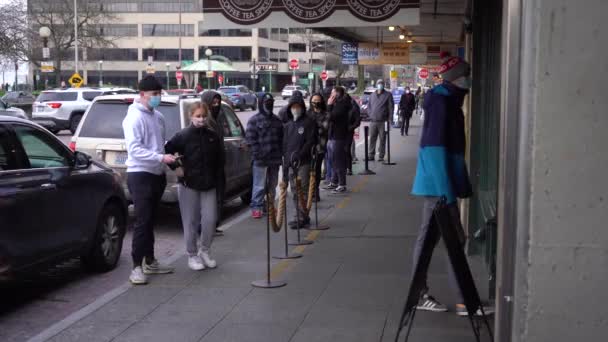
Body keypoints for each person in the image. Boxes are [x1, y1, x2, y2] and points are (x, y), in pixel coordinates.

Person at [411, 52, 490, 316]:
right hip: (439, 187)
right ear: (455, 78)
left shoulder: (448, 101)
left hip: (439, 186)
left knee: (433, 242)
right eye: (465, 74)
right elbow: (434, 149)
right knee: (454, 241)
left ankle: (422, 295)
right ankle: (465, 301)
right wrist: (448, 192)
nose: (469, 79)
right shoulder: (442, 103)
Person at [122, 75, 176, 285]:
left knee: (151, 219)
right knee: (142, 221)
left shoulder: (158, 117)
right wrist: (160, 157)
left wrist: (168, 155)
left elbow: (158, 144)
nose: (157, 98)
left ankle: (150, 260)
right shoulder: (133, 118)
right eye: (154, 94)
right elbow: (135, 150)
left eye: (159, 94)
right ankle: (136, 267)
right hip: (140, 175)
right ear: (142, 94)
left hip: (157, 174)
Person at [165, 102, 224, 271]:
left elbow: (220, 161)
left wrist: (219, 182)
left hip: (209, 184)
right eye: (198, 116)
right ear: (191, 116)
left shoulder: (212, 136)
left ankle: (205, 250)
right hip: (189, 184)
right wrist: (176, 167)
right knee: (190, 222)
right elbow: (167, 150)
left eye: (204, 116)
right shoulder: (183, 135)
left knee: (210, 220)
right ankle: (192, 255)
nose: (201, 119)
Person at [245, 93, 284, 219]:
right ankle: (257, 207)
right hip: (260, 160)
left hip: (275, 159)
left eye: (271, 101)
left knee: (272, 185)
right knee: (259, 185)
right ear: (261, 103)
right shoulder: (254, 120)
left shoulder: (277, 120)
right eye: (267, 101)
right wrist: (258, 153)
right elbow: (251, 139)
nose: (269, 103)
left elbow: (282, 139)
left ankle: (270, 206)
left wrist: (281, 154)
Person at [283, 95, 317, 228]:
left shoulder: (309, 123)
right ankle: (300, 215)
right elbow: (285, 146)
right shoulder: (287, 126)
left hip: (304, 161)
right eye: (293, 107)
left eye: (297, 107)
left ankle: (302, 216)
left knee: (302, 188)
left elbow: (310, 141)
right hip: (291, 163)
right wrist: (286, 163)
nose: (295, 109)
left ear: (302, 108)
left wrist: (300, 154)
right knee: (294, 190)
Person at [201, 91, 228, 234]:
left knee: (218, 196)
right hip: (209, 166)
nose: (216, 105)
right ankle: (207, 226)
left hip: (218, 165)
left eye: (218, 102)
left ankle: (213, 224)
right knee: (209, 198)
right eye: (213, 103)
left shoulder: (218, 118)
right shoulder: (206, 120)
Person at [324, 86, 352, 193]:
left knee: (338, 160)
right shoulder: (337, 103)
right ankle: (334, 181)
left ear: (337, 93)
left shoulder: (343, 104)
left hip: (339, 136)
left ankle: (342, 184)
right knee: (332, 160)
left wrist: (329, 105)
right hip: (332, 135)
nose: (331, 95)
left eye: (333, 93)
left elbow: (331, 116)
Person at [307, 93, 329, 201]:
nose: (315, 102)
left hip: (320, 146)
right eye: (314, 100)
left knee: (316, 169)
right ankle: (309, 191)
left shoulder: (325, 114)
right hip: (307, 147)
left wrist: (313, 129)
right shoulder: (307, 114)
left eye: (318, 100)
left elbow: (324, 129)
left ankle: (315, 191)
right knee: (308, 169)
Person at [367, 79, 394, 162]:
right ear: (376, 84)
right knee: (372, 138)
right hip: (373, 121)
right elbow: (369, 107)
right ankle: (371, 155)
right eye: (379, 84)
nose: (380, 85)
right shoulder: (372, 95)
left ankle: (381, 155)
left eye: (381, 84)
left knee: (382, 139)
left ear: (383, 85)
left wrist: (390, 119)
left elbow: (390, 108)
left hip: (383, 121)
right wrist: (370, 114)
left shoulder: (388, 95)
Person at [347, 95, 361, 175]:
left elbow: (357, 119)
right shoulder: (337, 103)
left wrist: (351, 127)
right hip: (339, 131)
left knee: (347, 149)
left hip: (348, 130)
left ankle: (349, 168)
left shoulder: (353, 105)